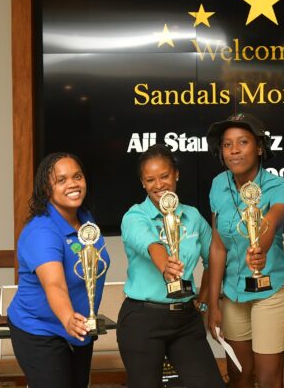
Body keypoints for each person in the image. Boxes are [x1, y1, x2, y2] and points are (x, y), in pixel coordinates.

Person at [117, 144, 224, 388]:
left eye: (164, 176)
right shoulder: (134, 217)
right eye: (150, 180)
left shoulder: (193, 216)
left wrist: (205, 301)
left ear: (176, 174)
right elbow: (151, 244)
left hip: (185, 319)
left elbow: (214, 259)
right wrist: (166, 266)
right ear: (143, 183)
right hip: (143, 319)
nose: (158, 185)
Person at [206, 113, 284, 388]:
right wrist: (213, 302)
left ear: (259, 147)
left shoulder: (279, 187)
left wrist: (259, 247)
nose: (234, 150)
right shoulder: (218, 185)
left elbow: (273, 219)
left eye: (242, 142)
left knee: (269, 378)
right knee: (239, 374)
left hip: (271, 289)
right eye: (227, 144)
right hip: (233, 292)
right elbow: (218, 246)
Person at [7, 152, 110, 388]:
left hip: (80, 331)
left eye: (77, 176)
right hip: (39, 330)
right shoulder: (41, 232)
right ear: (46, 188)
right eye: (61, 180)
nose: (73, 184)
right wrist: (67, 317)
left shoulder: (85, 219)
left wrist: (78, 323)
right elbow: (54, 283)